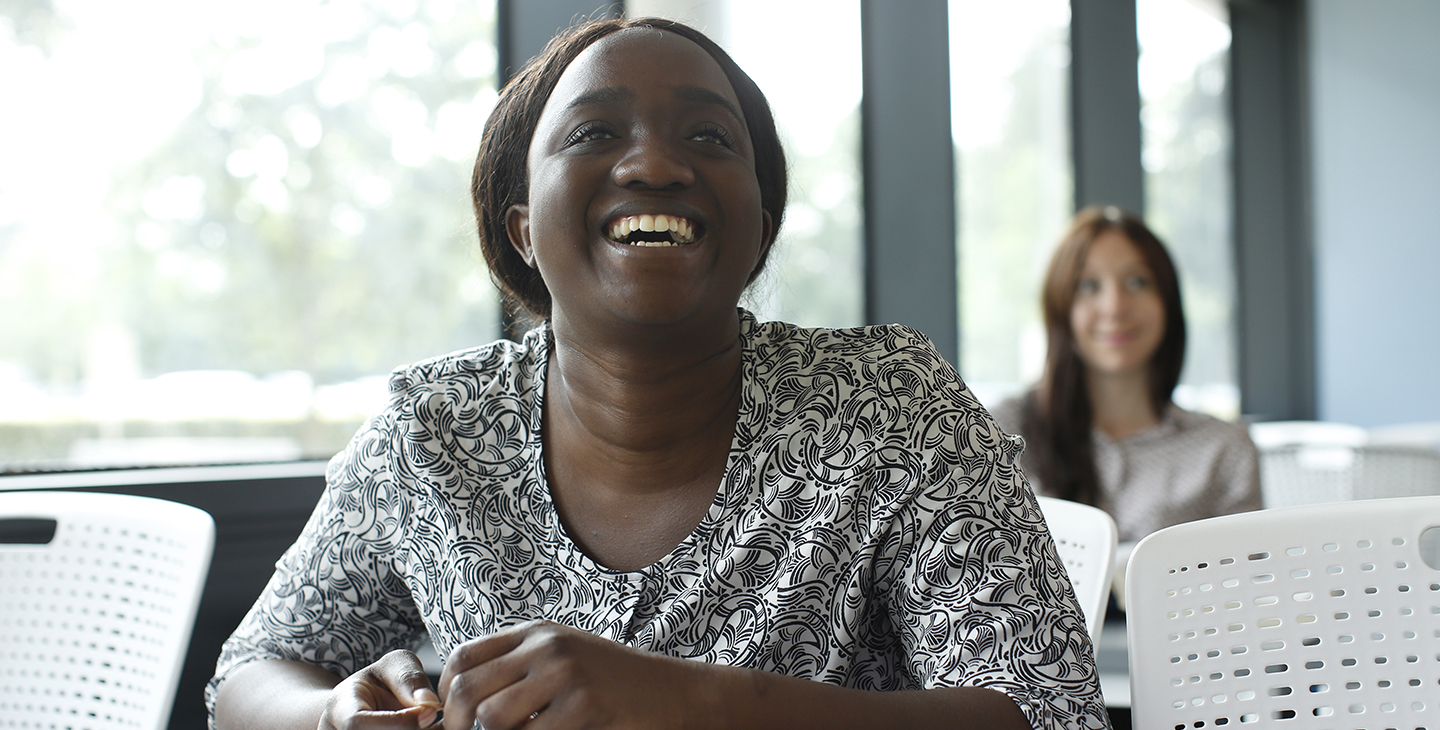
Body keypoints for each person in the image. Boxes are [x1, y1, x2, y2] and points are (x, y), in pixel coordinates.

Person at [208, 17, 1108, 730]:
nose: (654, 164)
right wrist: (330, 713)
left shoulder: (890, 406)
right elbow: (252, 672)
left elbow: (1049, 714)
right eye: (595, 132)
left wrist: (686, 703)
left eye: (710, 138)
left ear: (757, 229)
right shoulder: (434, 431)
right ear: (522, 228)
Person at [991, 206, 1262, 555]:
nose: (1115, 306)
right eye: (1088, 286)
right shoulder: (1003, 432)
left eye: (1137, 282)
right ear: (1060, 308)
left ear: (1167, 301)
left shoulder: (1224, 449)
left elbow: (1243, 590)